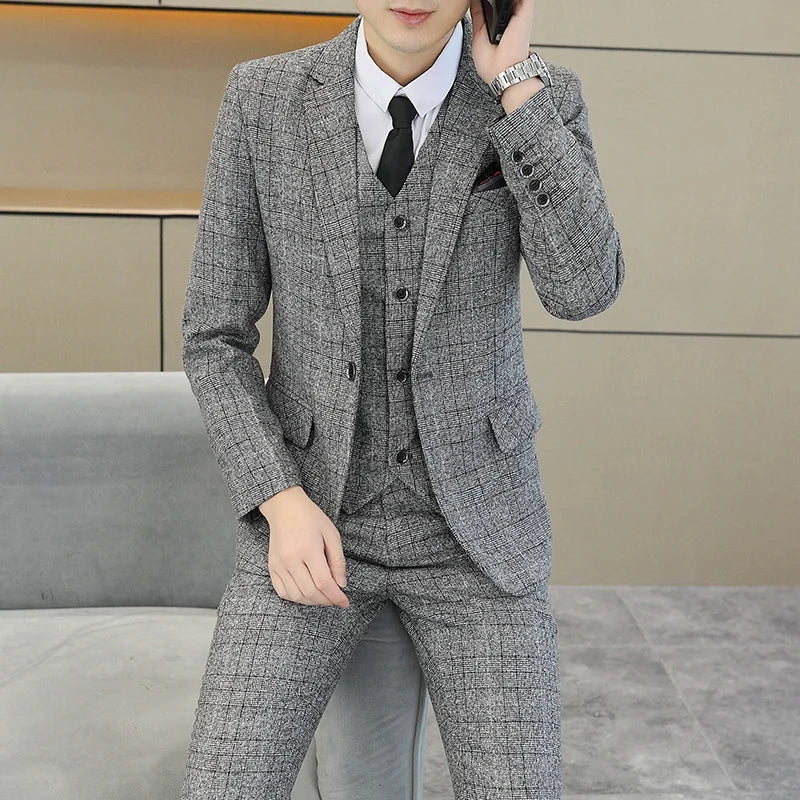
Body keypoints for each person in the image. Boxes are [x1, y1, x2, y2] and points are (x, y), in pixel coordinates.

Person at [179, 0, 625, 798]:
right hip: (314, 516)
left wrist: (514, 86)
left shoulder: (540, 97)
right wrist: (281, 500)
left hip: (477, 539)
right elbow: (214, 336)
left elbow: (585, 289)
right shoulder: (262, 98)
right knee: (223, 785)